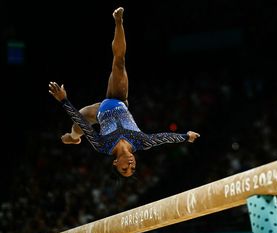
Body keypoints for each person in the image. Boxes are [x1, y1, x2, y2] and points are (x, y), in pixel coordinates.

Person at [48, 7, 200, 178]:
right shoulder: (142, 142)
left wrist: (64, 100)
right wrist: (186, 136)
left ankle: (73, 138)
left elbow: (85, 125)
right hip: (119, 100)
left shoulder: (102, 146)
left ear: (115, 163)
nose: (130, 165)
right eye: (133, 169)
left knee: (78, 127)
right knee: (119, 62)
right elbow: (164, 138)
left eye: (124, 169)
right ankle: (118, 21)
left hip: (98, 112)